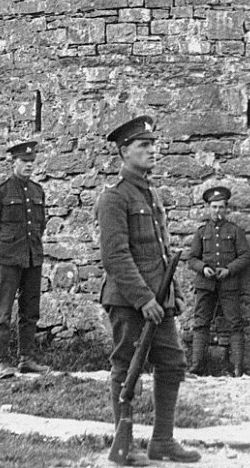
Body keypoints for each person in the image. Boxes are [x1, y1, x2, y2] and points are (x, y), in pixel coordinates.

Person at [96, 115, 200, 464]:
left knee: (173, 363)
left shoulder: (152, 194)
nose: (151, 151)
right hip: (129, 301)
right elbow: (115, 256)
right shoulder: (114, 198)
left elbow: (162, 250)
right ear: (124, 151)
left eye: (152, 145)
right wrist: (143, 299)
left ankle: (162, 441)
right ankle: (123, 446)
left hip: (160, 301)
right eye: (143, 146)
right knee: (126, 369)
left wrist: (176, 293)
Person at [0, 140, 49, 378]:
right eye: (24, 162)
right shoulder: (0, 192)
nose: (29, 166)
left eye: (32, 162)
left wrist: (33, 248)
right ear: (13, 162)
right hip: (7, 259)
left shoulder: (38, 191)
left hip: (32, 257)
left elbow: (41, 225)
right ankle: (0, 360)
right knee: (3, 310)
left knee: (30, 311)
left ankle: (26, 358)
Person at [186, 185, 250, 377]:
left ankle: (237, 367)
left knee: (235, 323)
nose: (217, 211)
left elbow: (245, 256)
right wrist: (203, 268)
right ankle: (197, 366)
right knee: (200, 323)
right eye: (214, 207)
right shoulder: (201, 232)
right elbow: (191, 259)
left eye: (221, 207)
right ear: (208, 208)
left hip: (229, 284)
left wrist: (229, 270)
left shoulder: (235, 231)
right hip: (206, 284)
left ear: (226, 208)